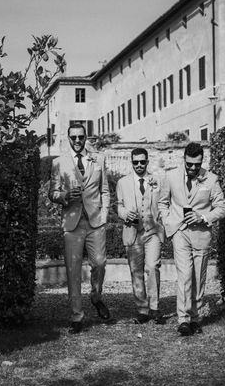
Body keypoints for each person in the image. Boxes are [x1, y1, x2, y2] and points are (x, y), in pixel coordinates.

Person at [159, 142, 225, 336]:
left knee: (199, 277)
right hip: (179, 232)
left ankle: (195, 317)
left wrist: (203, 217)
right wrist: (168, 222)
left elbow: (222, 208)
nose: (193, 168)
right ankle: (183, 320)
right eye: (189, 164)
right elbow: (162, 202)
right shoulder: (171, 176)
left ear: (201, 161)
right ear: (184, 160)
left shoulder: (211, 180)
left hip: (201, 234)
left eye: (197, 164)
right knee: (185, 276)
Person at [49, 123, 110, 334]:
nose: (77, 141)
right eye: (73, 137)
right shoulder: (58, 163)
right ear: (68, 138)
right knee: (73, 270)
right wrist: (64, 197)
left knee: (100, 263)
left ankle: (96, 295)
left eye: (81, 137)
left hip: (95, 222)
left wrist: (104, 215)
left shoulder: (98, 159)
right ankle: (76, 316)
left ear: (86, 137)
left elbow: (105, 191)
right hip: (72, 222)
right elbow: (52, 192)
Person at [116, 148, 165, 324]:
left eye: (142, 162)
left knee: (152, 267)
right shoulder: (122, 182)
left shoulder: (158, 180)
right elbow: (118, 205)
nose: (139, 165)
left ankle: (154, 307)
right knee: (136, 271)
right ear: (131, 162)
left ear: (147, 162)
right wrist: (124, 214)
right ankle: (142, 309)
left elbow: (164, 202)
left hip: (152, 231)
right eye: (135, 162)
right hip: (132, 231)